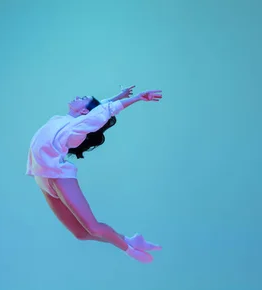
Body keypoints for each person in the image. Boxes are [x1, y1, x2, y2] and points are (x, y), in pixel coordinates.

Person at [26, 86, 163, 263]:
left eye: (83, 98)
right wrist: (119, 95)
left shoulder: (78, 128)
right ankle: (131, 241)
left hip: (58, 176)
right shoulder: (60, 119)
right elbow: (102, 106)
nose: (77, 95)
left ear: (84, 111)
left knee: (94, 228)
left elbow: (102, 112)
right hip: (41, 176)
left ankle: (130, 250)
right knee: (81, 234)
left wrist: (136, 98)